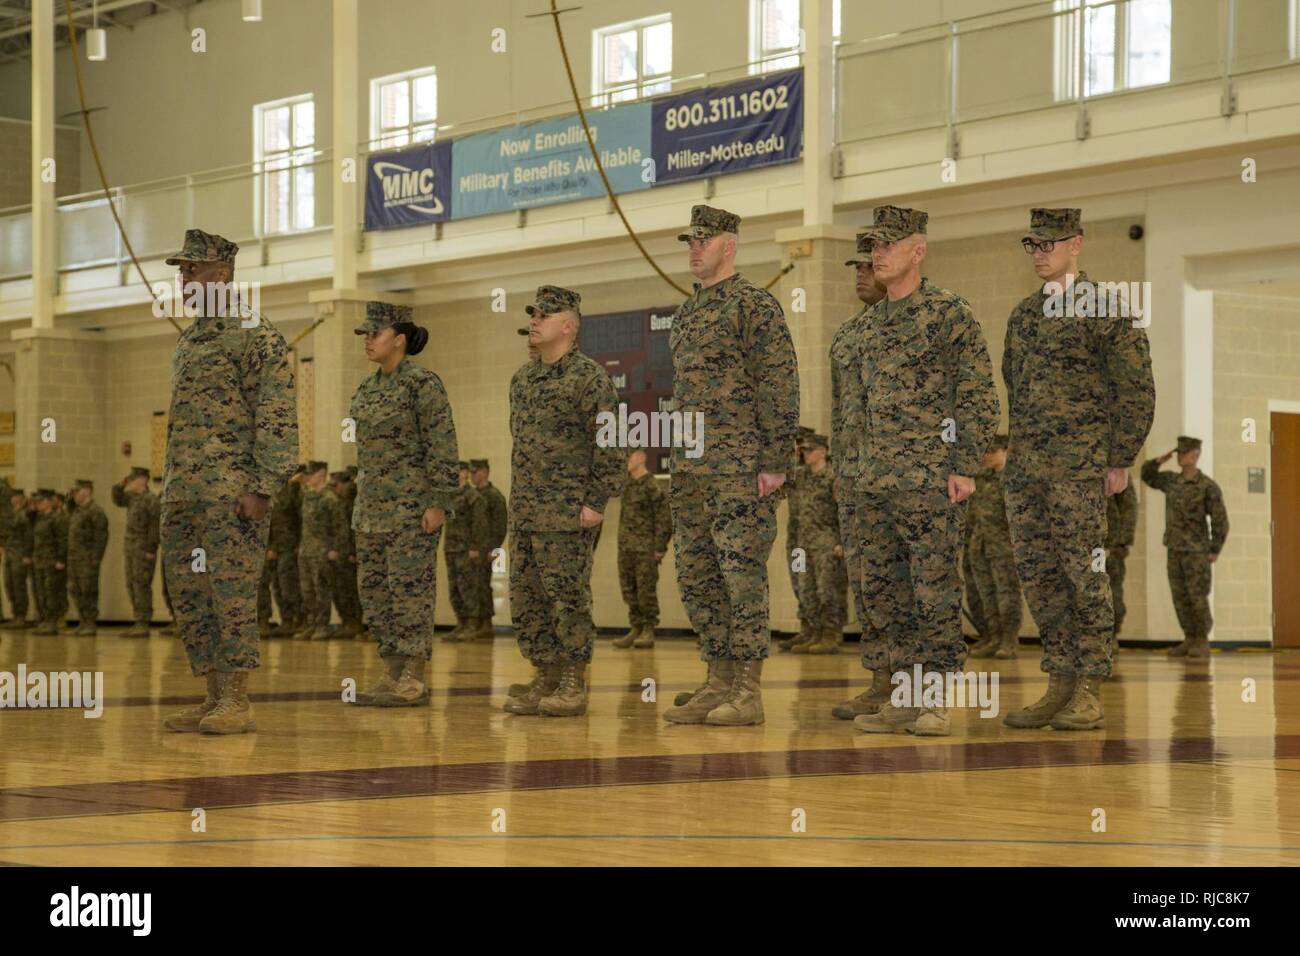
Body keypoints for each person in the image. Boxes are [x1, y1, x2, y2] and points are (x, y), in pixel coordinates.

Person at [846, 205, 1000, 738]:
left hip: (931, 481)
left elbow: (978, 394)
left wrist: (965, 465)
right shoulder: (866, 328)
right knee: (887, 595)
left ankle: (934, 699)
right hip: (875, 484)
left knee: (934, 593)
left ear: (919, 249)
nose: (878, 255)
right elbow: (858, 409)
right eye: (874, 246)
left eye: (889, 245)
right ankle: (904, 698)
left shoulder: (948, 313)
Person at [1002, 209, 1154, 731]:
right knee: (1040, 577)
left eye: (1050, 243)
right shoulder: (1023, 316)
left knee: (1085, 575)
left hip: (1080, 469)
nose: (1040, 252)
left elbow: (1135, 389)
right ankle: (1059, 681)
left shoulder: (1107, 309)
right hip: (1026, 471)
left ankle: (1090, 685)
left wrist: (1120, 458)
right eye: (1032, 244)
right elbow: (1014, 390)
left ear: (1077, 244)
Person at [663, 205, 800, 727]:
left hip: (741, 469)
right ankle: (718, 677)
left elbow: (780, 384)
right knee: (698, 574)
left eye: (704, 239)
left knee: (740, 575)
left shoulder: (754, 306)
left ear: (730, 245)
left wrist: (774, 462)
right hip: (692, 469)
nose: (694, 248)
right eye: (689, 240)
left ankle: (747, 688)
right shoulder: (688, 312)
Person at [159, 229, 298, 734]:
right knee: (189, 594)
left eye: (191, 269)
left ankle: (236, 700)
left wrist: (264, 485)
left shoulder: (255, 333)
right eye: (181, 270)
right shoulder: (190, 339)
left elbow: (277, 415)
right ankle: (212, 694)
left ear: (221, 274)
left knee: (232, 594)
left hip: (231, 494)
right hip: (184, 494)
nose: (184, 277)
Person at [504, 286, 623, 717]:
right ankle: (546, 674)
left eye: (545, 315)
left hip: (568, 514)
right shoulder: (523, 379)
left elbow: (611, 446)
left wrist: (595, 502)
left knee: (567, 597)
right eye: (533, 314)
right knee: (527, 597)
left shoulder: (590, 379)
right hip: (526, 512)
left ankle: (572, 680)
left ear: (569, 326)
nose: (534, 320)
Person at [349, 301, 459, 707]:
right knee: (376, 595)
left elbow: (442, 445)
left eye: (373, 334)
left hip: (412, 510)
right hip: (371, 512)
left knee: (410, 592)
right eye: (364, 335)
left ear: (399, 340)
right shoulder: (366, 388)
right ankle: (390, 671)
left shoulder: (422, 384)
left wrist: (439, 501)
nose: (367, 341)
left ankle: (413, 675)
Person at [829, 237, 894, 720]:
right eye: (856, 266)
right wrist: (837, 467)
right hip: (854, 481)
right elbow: (839, 411)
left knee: (908, 585)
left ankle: (916, 687)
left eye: (868, 265)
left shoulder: (931, 318)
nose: (860, 274)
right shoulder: (848, 335)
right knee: (869, 584)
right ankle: (881, 679)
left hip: (905, 479)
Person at [1141, 436, 1228, 658]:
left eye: (1185, 452)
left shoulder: (1207, 486)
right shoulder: (1171, 481)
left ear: (1196, 455)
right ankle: (1189, 638)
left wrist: (1214, 549)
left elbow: (1220, 521)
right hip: (1174, 548)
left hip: (1197, 552)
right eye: (1178, 452)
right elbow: (1147, 476)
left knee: (1196, 596)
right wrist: (1158, 461)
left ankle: (1201, 640)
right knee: (1179, 596)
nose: (1180, 456)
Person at [965, 436, 1022, 660]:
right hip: (980, 545)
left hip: (1004, 547)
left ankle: (1009, 640)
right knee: (985, 595)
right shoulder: (982, 478)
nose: (985, 457)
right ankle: (991, 637)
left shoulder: (1014, 479)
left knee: (1007, 596)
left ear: (1004, 451)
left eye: (990, 451)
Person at [612, 448, 672, 649]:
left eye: (628, 456)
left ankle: (648, 629)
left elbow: (664, 519)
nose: (625, 461)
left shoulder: (653, 486)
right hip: (626, 547)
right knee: (629, 590)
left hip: (645, 548)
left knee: (646, 590)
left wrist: (659, 548)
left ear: (640, 458)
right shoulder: (628, 484)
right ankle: (636, 627)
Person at [295, 460, 346, 640]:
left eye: (312, 474)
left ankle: (322, 626)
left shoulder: (329, 498)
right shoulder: (308, 496)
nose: (309, 478)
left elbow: (340, 527)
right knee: (306, 590)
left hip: (323, 551)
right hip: (306, 550)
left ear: (322, 474)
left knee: (321, 589)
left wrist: (335, 549)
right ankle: (311, 624)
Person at [776, 426, 816, 652]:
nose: (797, 450)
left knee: (817, 585)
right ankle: (807, 628)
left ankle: (822, 631)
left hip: (817, 537)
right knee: (800, 582)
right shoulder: (794, 472)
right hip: (796, 537)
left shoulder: (816, 471)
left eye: (801, 445)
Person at [443, 461, 489, 642]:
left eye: (459, 472)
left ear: (465, 474)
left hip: (466, 550)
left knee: (468, 587)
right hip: (451, 548)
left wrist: (476, 548)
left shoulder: (474, 497)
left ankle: (472, 625)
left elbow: (480, 525)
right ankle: (461, 623)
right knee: (454, 588)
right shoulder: (450, 497)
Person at [111, 466, 159, 637]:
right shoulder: (132, 498)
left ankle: (143, 622)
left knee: (142, 585)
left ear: (143, 480)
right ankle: (138, 619)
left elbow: (154, 527)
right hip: (131, 548)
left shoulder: (151, 500)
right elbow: (117, 499)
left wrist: (151, 549)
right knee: (131, 584)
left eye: (132, 479)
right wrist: (120, 484)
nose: (129, 482)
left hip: (143, 549)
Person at [469, 458, 507, 640]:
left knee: (483, 586)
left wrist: (493, 549)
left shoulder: (494, 496)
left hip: (486, 549)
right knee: (471, 587)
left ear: (485, 472)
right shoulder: (472, 495)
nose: (472, 476)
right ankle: (473, 622)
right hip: (471, 549)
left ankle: (485, 623)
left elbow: (500, 526)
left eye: (475, 472)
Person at [66, 479, 109, 636]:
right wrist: (69, 496)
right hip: (74, 559)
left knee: (88, 591)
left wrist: (96, 557)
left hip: (88, 559)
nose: (75, 495)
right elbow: (67, 505)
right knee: (75, 590)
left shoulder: (95, 511)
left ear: (87, 491)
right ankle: (82, 621)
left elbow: (101, 537)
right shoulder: (77, 511)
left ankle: (90, 623)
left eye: (77, 492)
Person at [329, 470, 365, 639]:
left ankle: (355, 623)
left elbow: (354, 530)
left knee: (351, 590)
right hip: (341, 553)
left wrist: (353, 551)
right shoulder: (341, 502)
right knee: (340, 589)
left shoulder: (352, 502)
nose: (334, 489)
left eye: (336, 485)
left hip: (349, 553)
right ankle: (348, 622)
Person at [1105, 477, 1138, 658]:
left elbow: (1129, 505)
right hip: (1091, 547)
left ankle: (1111, 635)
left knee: (1112, 592)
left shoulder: (1115, 467)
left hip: (1111, 546)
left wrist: (1124, 542)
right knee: (1089, 593)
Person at [30, 489, 69, 635]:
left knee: (51, 591)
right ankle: (46, 620)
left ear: (48, 502)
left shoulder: (57, 518)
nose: (37, 505)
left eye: (40, 502)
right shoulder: (40, 518)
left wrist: (60, 559)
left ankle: (53, 621)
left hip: (52, 561)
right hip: (40, 560)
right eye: (37, 502)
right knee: (41, 592)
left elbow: (62, 541)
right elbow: (29, 514)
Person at [1, 489, 33, 630]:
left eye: (14, 497)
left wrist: (27, 554)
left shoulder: (24, 514)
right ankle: (15, 615)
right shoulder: (13, 514)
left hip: (19, 555)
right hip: (10, 553)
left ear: (20, 498)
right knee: (9, 584)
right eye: (11, 497)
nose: (12, 500)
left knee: (19, 585)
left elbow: (28, 536)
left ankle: (21, 616)